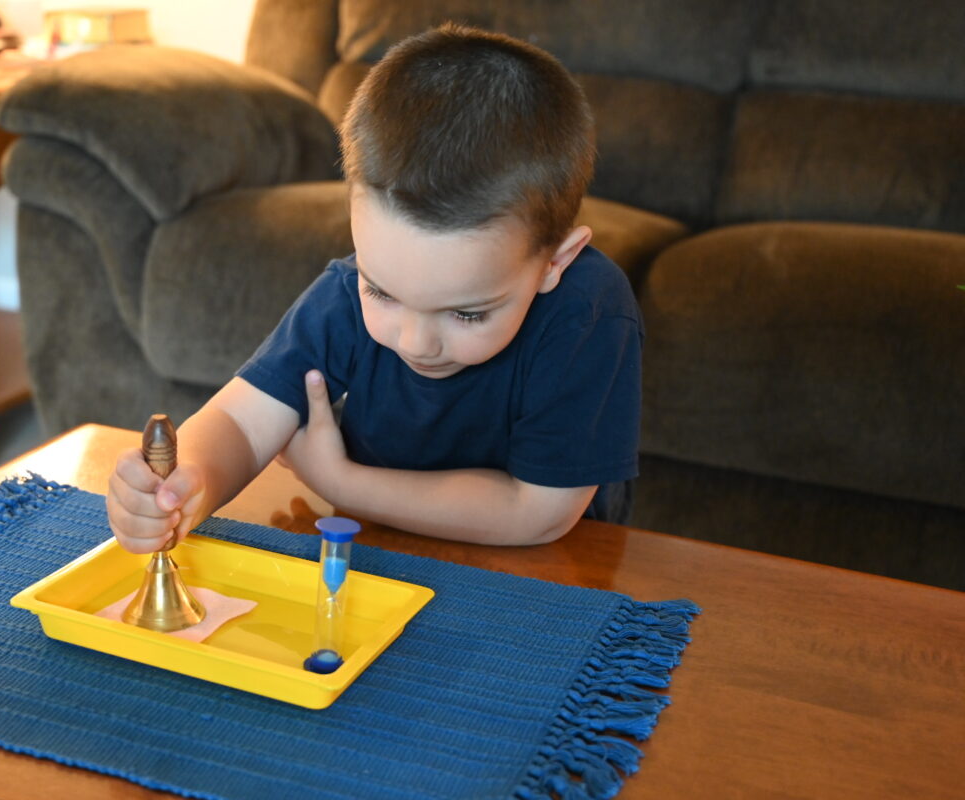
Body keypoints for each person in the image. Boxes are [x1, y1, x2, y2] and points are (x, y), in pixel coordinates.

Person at [106, 23, 642, 553]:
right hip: (372, 556)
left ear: (555, 262)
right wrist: (189, 485)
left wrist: (338, 482)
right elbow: (242, 424)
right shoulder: (341, 295)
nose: (414, 342)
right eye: (382, 292)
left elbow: (538, 513)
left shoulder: (588, 310)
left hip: (545, 583)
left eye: (468, 314)